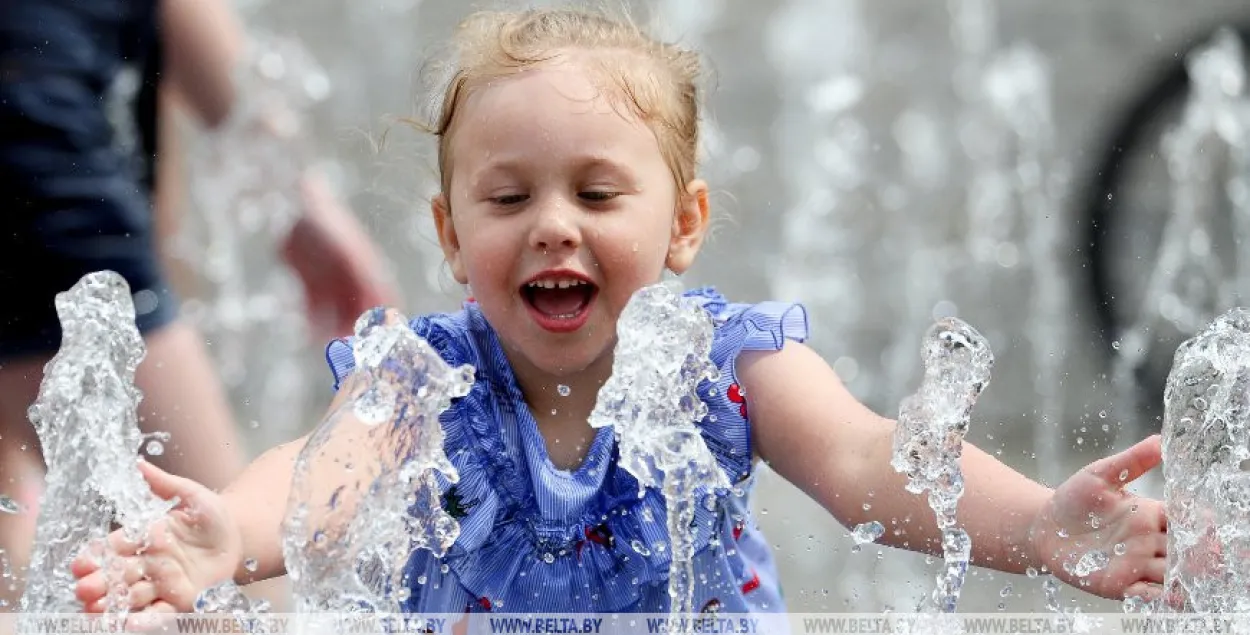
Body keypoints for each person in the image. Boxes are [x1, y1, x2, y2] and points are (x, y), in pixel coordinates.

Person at [71, 7, 1169, 620]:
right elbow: (322, 475)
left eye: (597, 194)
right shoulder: (423, 377)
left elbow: (868, 459)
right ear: (451, 234)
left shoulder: (721, 362)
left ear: (682, 222)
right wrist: (230, 534)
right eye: (506, 199)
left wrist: (1037, 525)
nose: (552, 226)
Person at [0, 0, 399, 610]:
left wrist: (299, 200)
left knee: (37, 573)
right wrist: (300, 201)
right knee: (228, 590)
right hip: (36, 142)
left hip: (44, 117)